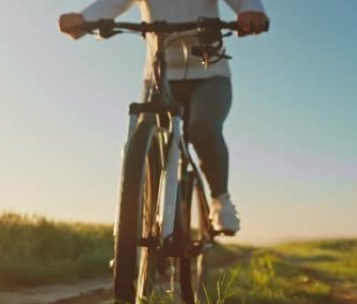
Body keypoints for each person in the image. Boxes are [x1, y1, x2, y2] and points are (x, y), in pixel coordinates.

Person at [58, 0, 269, 235]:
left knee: (203, 128)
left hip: (209, 75)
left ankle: (220, 200)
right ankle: (147, 217)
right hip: (160, 76)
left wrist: (252, 13)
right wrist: (81, 19)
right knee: (145, 134)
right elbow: (111, 3)